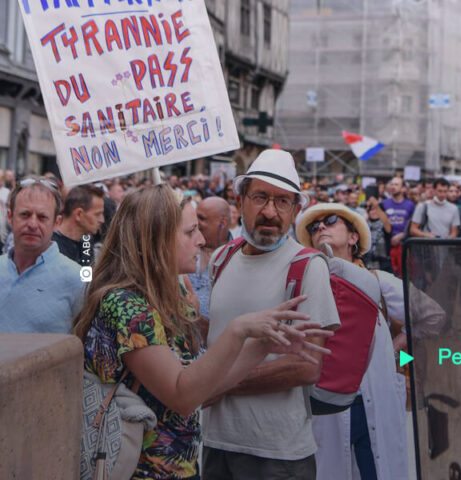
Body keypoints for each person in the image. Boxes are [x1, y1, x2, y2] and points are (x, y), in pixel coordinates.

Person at [73, 184, 330, 479]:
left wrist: (264, 343)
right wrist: (238, 330)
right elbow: (183, 395)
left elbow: (205, 384)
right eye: (190, 231)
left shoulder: (169, 297)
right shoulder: (126, 305)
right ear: (157, 238)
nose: (201, 240)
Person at [203, 150, 341, 480]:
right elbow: (217, 337)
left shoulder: (308, 267)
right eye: (261, 197)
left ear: (295, 210)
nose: (270, 211)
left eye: (282, 202)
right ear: (240, 202)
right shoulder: (221, 259)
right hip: (216, 442)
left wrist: (219, 383)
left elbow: (306, 365)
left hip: (277, 455)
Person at [296, 203, 408, 480]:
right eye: (314, 226)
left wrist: (398, 356)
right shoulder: (303, 286)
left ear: (353, 237)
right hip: (326, 409)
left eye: (330, 221)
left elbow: (434, 320)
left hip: (376, 402)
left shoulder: (378, 282)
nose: (320, 227)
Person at [0, 178, 84, 333]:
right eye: (25, 214)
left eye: (42, 217)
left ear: (56, 222)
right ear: (10, 218)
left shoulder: (78, 279)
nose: (32, 224)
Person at [189, 197, 233, 320]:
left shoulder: (238, 256)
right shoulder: (185, 246)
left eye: (202, 218)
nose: (196, 222)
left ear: (222, 223)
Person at [52, 185, 105, 265]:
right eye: (97, 214)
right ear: (79, 214)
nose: (102, 220)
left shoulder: (86, 244)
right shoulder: (52, 247)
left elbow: (87, 276)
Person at [381, 176, 416, 274]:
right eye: (391, 184)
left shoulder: (410, 205)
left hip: (403, 245)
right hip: (387, 245)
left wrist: (401, 235)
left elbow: (413, 225)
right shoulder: (384, 203)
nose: (393, 187)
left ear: (403, 188)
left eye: (396, 184)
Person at [363, 196, 393, 272]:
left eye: (376, 210)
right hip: (367, 263)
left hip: (383, 264)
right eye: (371, 210)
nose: (374, 212)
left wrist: (376, 205)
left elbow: (387, 225)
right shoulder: (365, 226)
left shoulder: (384, 225)